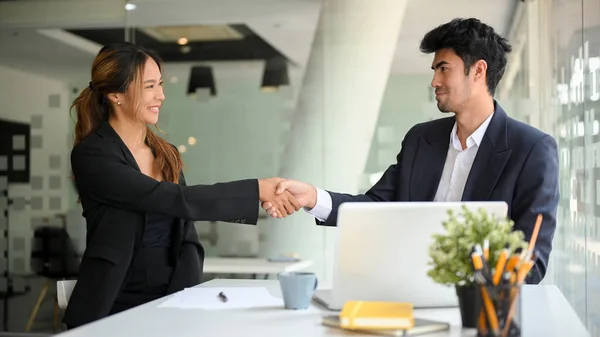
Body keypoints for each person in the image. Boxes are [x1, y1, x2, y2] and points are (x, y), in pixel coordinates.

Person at [262, 18, 559, 284]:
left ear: (478, 71)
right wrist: (313, 197)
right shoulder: (421, 139)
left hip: (478, 308)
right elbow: (377, 207)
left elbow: (530, 262)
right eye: (434, 70)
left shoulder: (531, 149)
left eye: (444, 69)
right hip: (401, 294)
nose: (434, 81)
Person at [63, 42, 300, 329]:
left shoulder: (167, 153)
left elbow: (187, 237)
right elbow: (169, 198)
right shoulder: (93, 155)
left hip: (172, 300)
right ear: (115, 94)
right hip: (113, 303)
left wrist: (182, 298)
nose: (161, 95)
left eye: (160, 84)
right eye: (149, 86)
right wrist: (255, 190)